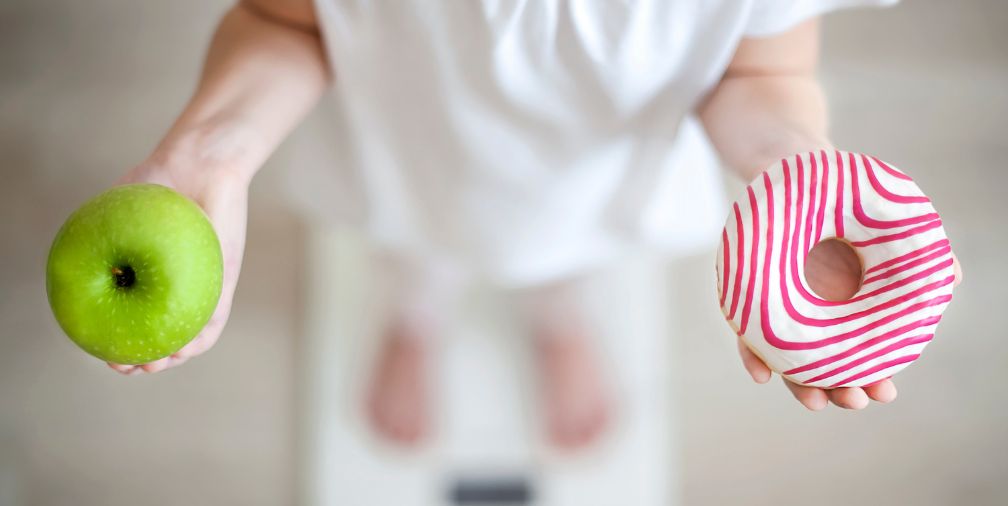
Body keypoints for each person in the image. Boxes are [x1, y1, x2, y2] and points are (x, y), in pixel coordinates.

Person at [107, 0, 962, 450]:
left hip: (600, 179)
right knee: (411, 255)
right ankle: (418, 318)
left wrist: (796, 169)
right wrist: (213, 152)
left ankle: (558, 319)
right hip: (411, 155)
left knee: (573, 265)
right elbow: (285, 16)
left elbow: (762, 67)